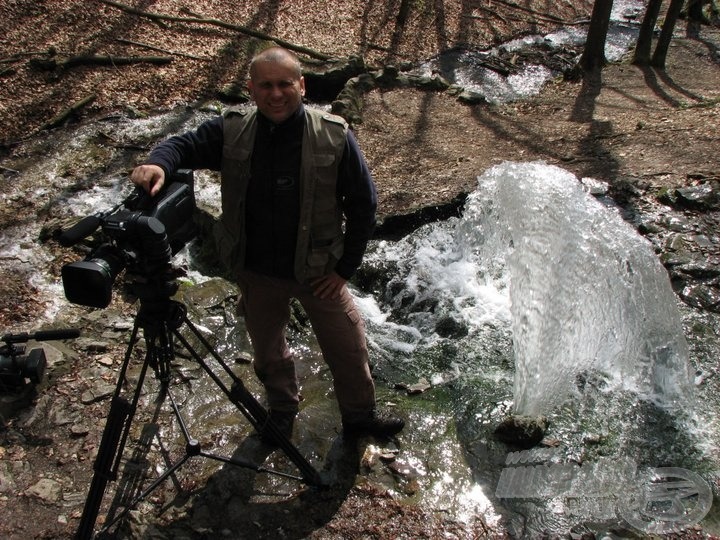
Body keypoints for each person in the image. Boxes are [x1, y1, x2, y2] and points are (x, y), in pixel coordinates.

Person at [130, 46, 404, 444]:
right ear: (252, 90)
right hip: (255, 269)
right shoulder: (232, 129)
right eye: (266, 85)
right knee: (268, 354)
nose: (276, 94)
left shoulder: (333, 135)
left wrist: (344, 269)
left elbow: (365, 205)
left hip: (319, 272)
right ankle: (281, 411)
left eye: (284, 84)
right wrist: (159, 162)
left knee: (348, 349)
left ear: (302, 86)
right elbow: (184, 146)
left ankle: (359, 419)